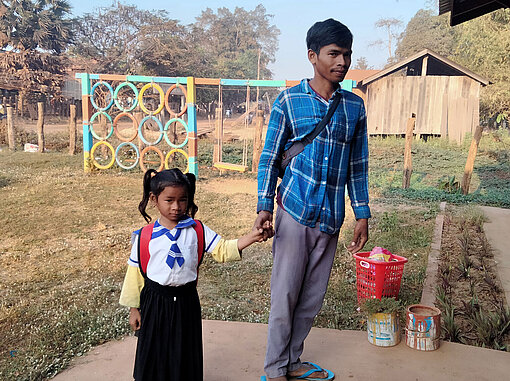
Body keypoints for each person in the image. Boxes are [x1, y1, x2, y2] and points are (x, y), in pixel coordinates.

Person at [255, 19, 371, 381]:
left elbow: (358, 165)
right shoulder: (289, 100)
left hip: (331, 218)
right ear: (312, 56)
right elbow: (270, 158)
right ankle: (275, 369)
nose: (342, 61)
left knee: (310, 299)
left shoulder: (354, 107)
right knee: (285, 295)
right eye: (333, 53)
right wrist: (263, 206)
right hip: (294, 213)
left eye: (346, 54)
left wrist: (362, 213)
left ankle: (292, 361)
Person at [119, 168, 268, 381]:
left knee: (184, 348)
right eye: (169, 200)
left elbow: (223, 249)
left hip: (186, 301)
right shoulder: (144, 236)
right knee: (154, 350)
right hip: (154, 301)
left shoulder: (198, 230)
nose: (176, 207)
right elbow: (135, 273)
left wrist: (252, 237)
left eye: (183, 200)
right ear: (154, 199)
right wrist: (134, 309)